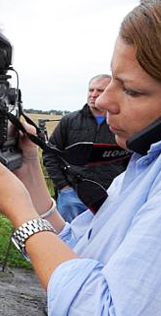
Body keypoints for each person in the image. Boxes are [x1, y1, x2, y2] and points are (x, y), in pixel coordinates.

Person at [0, 1, 161, 316]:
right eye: (110, 80)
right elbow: (80, 257)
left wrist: (22, 216)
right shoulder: (145, 163)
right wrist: (30, 172)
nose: (104, 100)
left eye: (131, 90)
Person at [42, 74, 126, 221]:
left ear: (112, 93)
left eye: (100, 90)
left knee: (103, 241)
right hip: (73, 196)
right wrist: (64, 187)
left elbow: (132, 160)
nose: (93, 95)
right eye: (91, 90)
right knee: (67, 240)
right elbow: (50, 154)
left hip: (110, 197)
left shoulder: (123, 124)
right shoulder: (69, 121)